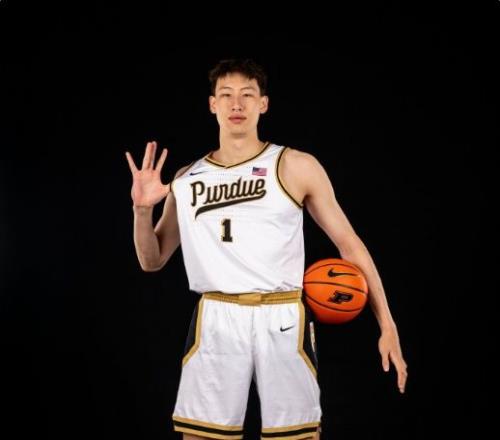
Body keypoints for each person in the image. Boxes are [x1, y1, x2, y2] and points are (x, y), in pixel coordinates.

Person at [125, 58, 408, 440]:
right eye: (226, 95)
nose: (236, 104)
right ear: (212, 104)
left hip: (283, 314)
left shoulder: (296, 166)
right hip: (218, 316)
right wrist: (142, 211)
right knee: (201, 436)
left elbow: (350, 245)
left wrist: (387, 324)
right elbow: (152, 260)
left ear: (263, 103)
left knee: (296, 436)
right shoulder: (186, 178)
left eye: (247, 94)